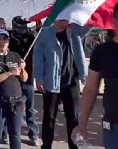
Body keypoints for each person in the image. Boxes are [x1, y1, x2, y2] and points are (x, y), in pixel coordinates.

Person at [33, 20, 89, 149]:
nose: (67, 20)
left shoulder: (75, 31)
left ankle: (74, 146)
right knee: (49, 117)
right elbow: (38, 57)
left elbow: (89, 25)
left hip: (71, 82)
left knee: (73, 118)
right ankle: (46, 145)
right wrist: (39, 79)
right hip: (51, 82)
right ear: (57, 18)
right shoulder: (45, 34)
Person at [72, 3, 118, 148]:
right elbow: (91, 89)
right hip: (113, 126)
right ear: (115, 20)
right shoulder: (102, 51)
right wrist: (82, 124)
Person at [0, 29, 28, 149]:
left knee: (15, 134)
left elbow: (24, 79)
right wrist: (10, 73)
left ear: (8, 41)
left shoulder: (16, 56)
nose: (2, 41)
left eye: (5, 38)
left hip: (16, 101)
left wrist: (22, 70)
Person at [8, 16, 39, 146]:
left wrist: (38, 29)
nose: (23, 27)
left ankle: (33, 134)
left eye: (25, 24)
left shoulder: (32, 37)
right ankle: (5, 133)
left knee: (30, 108)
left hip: (28, 77)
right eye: (20, 24)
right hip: (12, 77)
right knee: (10, 107)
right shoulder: (9, 38)